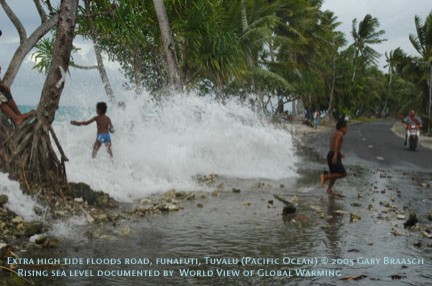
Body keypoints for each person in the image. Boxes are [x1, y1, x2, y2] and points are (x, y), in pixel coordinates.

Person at [320, 117, 348, 196]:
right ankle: (325, 177)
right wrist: (336, 154)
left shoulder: (334, 133)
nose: (347, 130)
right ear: (342, 127)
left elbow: (333, 144)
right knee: (343, 174)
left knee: (334, 173)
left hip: (330, 153)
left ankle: (329, 189)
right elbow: (336, 143)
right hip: (333, 154)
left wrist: (339, 153)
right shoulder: (340, 134)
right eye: (346, 128)